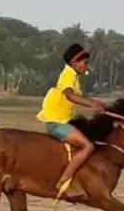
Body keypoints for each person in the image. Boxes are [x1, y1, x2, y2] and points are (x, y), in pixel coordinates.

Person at [37, 43, 106, 198]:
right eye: (85, 63)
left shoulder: (73, 76)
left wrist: (96, 103)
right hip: (57, 123)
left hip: (63, 121)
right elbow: (69, 95)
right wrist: (92, 104)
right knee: (87, 147)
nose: (86, 66)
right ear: (75, 63)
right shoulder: (68, 74)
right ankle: (61, 184)